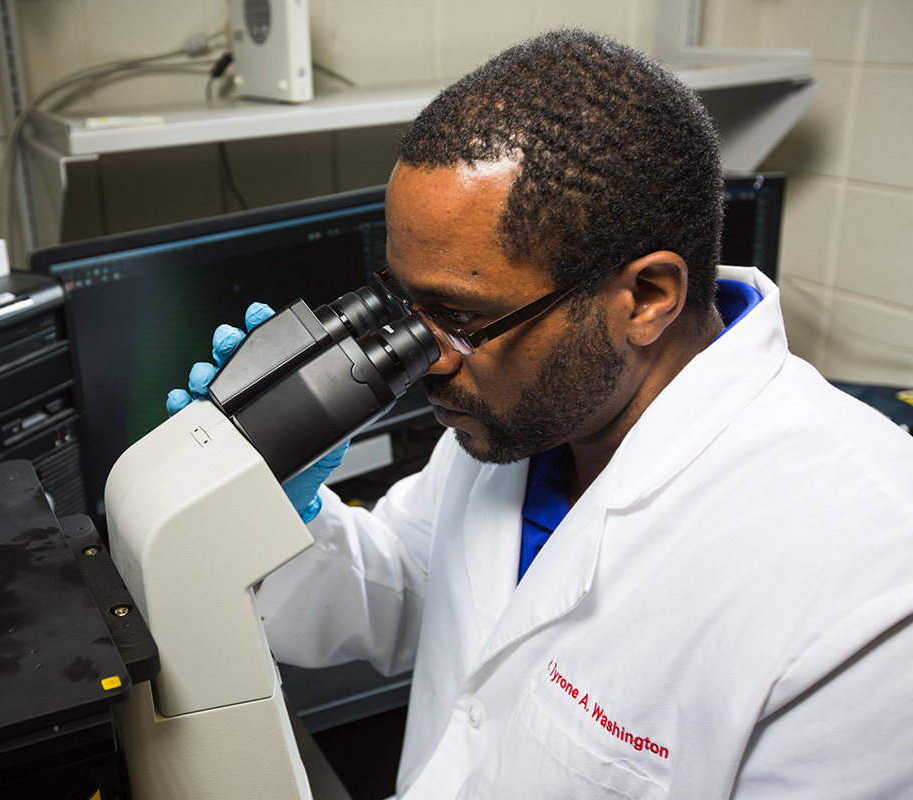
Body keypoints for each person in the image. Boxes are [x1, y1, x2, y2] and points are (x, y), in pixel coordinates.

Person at [168, 29, 913, 799]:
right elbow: (411, 589)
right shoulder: (530, 414)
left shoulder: (870, 584)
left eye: (459, 316)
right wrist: (270, 507)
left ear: (648, 297)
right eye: (405, 305)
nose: (429, 358)